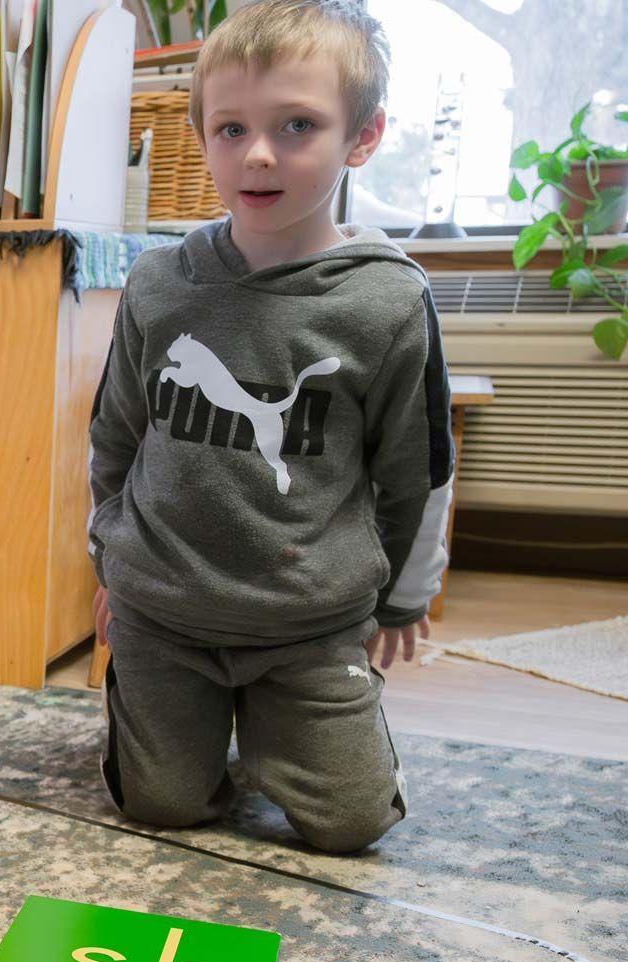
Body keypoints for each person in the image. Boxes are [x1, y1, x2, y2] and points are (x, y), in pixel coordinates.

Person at [88, 0, 453, 853]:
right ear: (202, 133)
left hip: (306, 624)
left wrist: (403, 593)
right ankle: (198, 722)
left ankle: (281, 727)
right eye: (230, 128)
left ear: (362, 137)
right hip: (164, 610)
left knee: (352, 826)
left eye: (297, 125)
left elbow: (417, 469)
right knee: (159, 804)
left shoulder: (389, 302)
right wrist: (109, 560)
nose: (257, 153)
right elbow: (115, 437)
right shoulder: (158, 283)